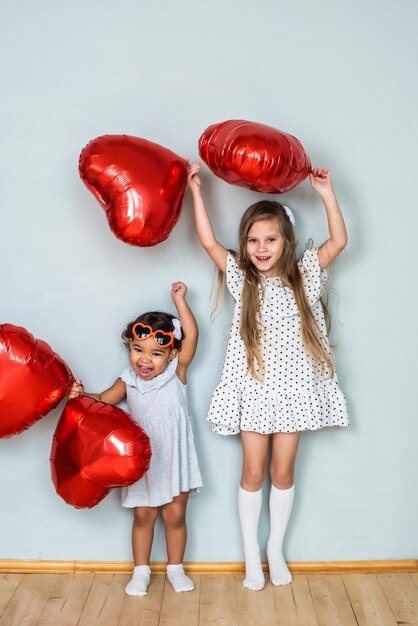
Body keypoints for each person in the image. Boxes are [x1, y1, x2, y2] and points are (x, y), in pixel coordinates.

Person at [187, 163, 348, 591]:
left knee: (283, 472)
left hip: (294, 391)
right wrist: (196, 192)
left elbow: (339, 241)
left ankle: (274, 549)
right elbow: (207, 241)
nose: (261, 247)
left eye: (270, 239)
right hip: (254, 390)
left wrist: (326, 193)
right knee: (253, 472)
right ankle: (250, 557)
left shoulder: (304, 275)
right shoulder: (242, 279)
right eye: (253, 240)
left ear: (285, 241)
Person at [68, 282, 202, 596]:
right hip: (142, 462)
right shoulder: (128, 381)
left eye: (156, 353)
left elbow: (193, 336)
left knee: (175, 514)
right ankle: (140, 571)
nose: (145, 359)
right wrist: (78, 396)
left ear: (171, 354)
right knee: (143, 515)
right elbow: (101, 399)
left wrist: (179, 301)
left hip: (174, 461)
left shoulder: (176, 373)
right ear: (129, 346)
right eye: (138, 349)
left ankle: (175, 568)